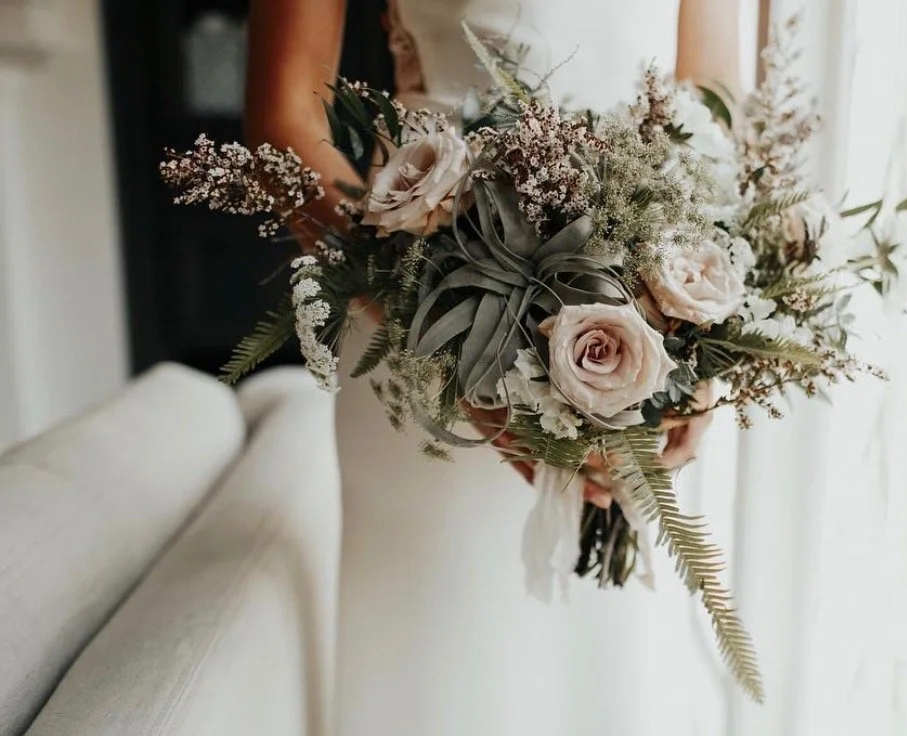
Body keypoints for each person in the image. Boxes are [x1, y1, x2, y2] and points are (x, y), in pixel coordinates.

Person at [245, 2, 742, 733]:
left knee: (620, 678)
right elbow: (283, 116)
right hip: (421, 318)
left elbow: (712, 100)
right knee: (448, 676)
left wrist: (702, 327)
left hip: (654, 319)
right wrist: (445, 340)